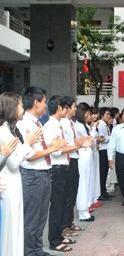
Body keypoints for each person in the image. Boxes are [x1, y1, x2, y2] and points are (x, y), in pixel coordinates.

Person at [17, 86, 66, 256]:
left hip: (44, 173)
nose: (46, 106)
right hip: (33, 175)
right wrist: (52, 149)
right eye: (44, 102)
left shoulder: (37, 122)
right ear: (36, 102)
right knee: (31, 218)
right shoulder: (24, 124)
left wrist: (52, 147)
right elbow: (29, 156)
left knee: (40, 217)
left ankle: (38, 249)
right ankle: (29, 252)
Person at [0, 92, 42, 256]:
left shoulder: (10, 130)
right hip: (8, 185)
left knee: (16, 226)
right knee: (11, 229)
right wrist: (28, 143)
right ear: (11, 109)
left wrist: (28, 144)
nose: (23, 109)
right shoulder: (3, 132)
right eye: (20, 106)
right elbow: (12, 163)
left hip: (14, 182)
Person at [43, 95, 83, 253]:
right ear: (59, 108)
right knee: (57, 206)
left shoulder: (57, 125)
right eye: (65, 107)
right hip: (57, 169)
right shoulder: (51, 127)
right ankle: (54, 240)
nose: (67, 110)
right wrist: (76, 146)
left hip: (63, 167)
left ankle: (58, 235)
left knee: (61, 204)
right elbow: (57, 151)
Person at [60, 96, 87, 237]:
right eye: (74, 106)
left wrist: (81, 143)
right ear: (67, 107)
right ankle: (64, 226)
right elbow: (63, 145)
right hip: (68, 160)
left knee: (72, 194)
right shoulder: (63, 124)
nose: (76, 108)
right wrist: (79, 145)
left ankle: (69, 223)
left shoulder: (71, 123)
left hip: (74, 158)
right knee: (68, 195)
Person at [75, 103, 95, 222]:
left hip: (87, 156)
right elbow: (89, 140)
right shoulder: (79, 126)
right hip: (82, 156)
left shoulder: (84, 125)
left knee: (88, 182)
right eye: (88, 114)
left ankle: (86, 208)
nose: (89, 116)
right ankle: (82, 211)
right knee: (83, 183)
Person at [97, 108, 112, 201]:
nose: (108, 116)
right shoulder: (100, 125)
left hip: (106, 150)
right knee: (102, 172)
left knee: (105, 172)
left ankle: (104, 191)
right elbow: (102, 139)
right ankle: (101, 193)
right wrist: (111, 137)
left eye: (109, 114)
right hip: (102, 150)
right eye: (106, 114)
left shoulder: (106, 125)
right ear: (102, 115)